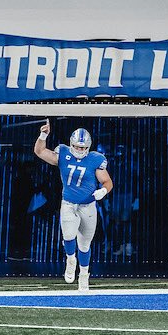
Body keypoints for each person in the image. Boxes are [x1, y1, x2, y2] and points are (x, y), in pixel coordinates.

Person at [34, 120, 113, 292]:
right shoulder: (63, 153)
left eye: (84, 148)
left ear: (89, 147)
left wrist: (103, 191)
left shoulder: (95, 159)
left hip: (88, 206)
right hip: (68, 203)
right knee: (69, 236)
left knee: (84, 244)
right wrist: (43, 135)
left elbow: (107, 181)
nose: (80, 150)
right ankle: (71, 260)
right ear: (71, 144)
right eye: (77, 146)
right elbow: (39, 151)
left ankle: (84, 274)